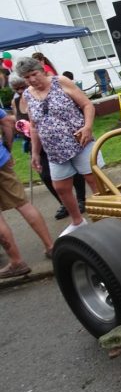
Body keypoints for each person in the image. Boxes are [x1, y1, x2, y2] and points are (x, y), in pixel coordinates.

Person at [16, 57, 99, 236]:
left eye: (34, 74)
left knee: (94, 180)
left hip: (79, 142)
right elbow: (34, 126)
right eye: (26, 77)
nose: (31, 79)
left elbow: (87, 105)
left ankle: (108, 214)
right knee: (61, 187)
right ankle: (77, 221)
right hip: (54, 151)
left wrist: (87, 127)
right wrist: (35, 153)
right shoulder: (27, 94)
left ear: (42, 71)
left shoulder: (60, 82)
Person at [10, 74, 87, 220]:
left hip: (57, 140)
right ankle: (65, 204)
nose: (20, 91)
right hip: (37, 142)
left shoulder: (41, 93)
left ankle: (81, 199)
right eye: (16, 88)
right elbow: (20, 120)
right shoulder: (16, 101)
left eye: (22, 87)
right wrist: (21, 127)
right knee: (46, 176)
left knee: (74, 171)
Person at [0, 106, 55, 278]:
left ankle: (16, 262)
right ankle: (50, 246)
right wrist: (7, 147)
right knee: (23, 204)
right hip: (1, 159)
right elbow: (7, 121)